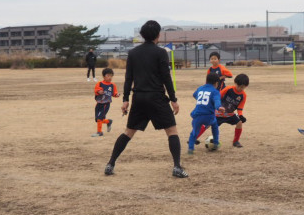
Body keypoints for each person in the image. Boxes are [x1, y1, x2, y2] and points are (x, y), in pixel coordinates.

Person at [104, 20, 188, 178]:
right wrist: (173, 99)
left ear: (142, 34)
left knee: (128, 132)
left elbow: (129, 78)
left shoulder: (133, 53)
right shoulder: (160, 52)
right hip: (156, 97)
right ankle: (177, 166)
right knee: (171, 131)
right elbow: (166, 78)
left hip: (139, 98)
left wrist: (126, 99)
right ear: (158, 35)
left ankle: (110, 163)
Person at [187, 74, 224, 154]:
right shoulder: (215, 92)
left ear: (206, 81)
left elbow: (194, 94)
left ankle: (190, 149)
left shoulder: (200, 88)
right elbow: (217, 102)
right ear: (216, 83)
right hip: (208, 116)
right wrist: (219, 108)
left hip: (197, 115)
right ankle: (216, 143)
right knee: (214, 125)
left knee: (194, 132)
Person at [215, 73, 249, 147]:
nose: (239, 88)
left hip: (230, 114)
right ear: (235, 83)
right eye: (238, 86)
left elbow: (240, 108)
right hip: (219, 113)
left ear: (246, 86)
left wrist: (241, 116)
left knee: (239, 123)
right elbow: (217, 97)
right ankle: (195, 138)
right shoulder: (228, 89)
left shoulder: (243, 95)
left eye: (242, 87)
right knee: (208, 124)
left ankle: (236, 141)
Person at [91, 67, 120, 137]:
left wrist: (116, 95)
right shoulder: (99, 83)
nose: (110, 77)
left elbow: (114, 93)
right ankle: (108, 121)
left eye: (111, 76)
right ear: (104, 76)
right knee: (97, 119)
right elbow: (96, 90)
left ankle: (99, 132)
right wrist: (99, 91)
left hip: (106, 104)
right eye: (108, 76)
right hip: (98, 104)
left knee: (99, 118)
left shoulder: (112, 85)